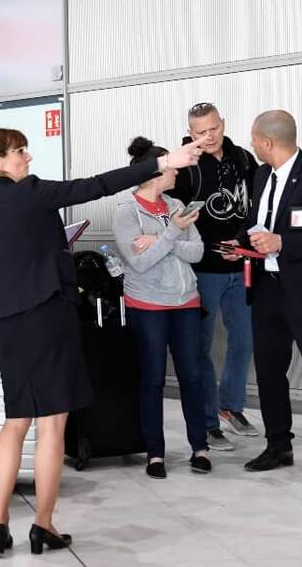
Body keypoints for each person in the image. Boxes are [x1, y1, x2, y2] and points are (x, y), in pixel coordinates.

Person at [0, 129, 205, 555]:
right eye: (20, 151)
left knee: (16, 421)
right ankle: (43, 523)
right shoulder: (33, 193)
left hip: (8, 322)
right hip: (48, 316)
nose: (28, 158)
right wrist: (162, 163)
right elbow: (97, 185)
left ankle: (0, 522)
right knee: (53, 423)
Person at [221, 110, 302, 488]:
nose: (251, 145)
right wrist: (238, 244)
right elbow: (256, 221)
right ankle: (278, 445)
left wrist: (283, 243)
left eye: (253, 139)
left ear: (267, 142)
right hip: (267, 291)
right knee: (269, 372)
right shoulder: (260, 175)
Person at [113, 137, 209, 480]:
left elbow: (197, 252)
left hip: (186, 301)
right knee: (152, 379)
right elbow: (139, 264)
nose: (176, 175)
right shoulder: (126, 212)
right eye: (172, 169)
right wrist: (172, 235)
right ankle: (155, 453)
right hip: (149, 305)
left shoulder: (177, 203)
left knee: (193, 376)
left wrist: (160, 240)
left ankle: (200, 446)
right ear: (155, 173)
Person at [173, 102, 260, 451]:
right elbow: (173, 218)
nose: (208, 137)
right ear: (190, 132)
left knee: (244, 341)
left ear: (222, 123)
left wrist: (241, 242)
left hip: (241, 266)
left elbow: (256, 205)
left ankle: (230, 407)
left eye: (213, 128)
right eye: (200, 132)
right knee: (201, 348)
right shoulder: (185, 165)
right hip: (202, 271)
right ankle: (209, 422)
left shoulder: (242, 158)